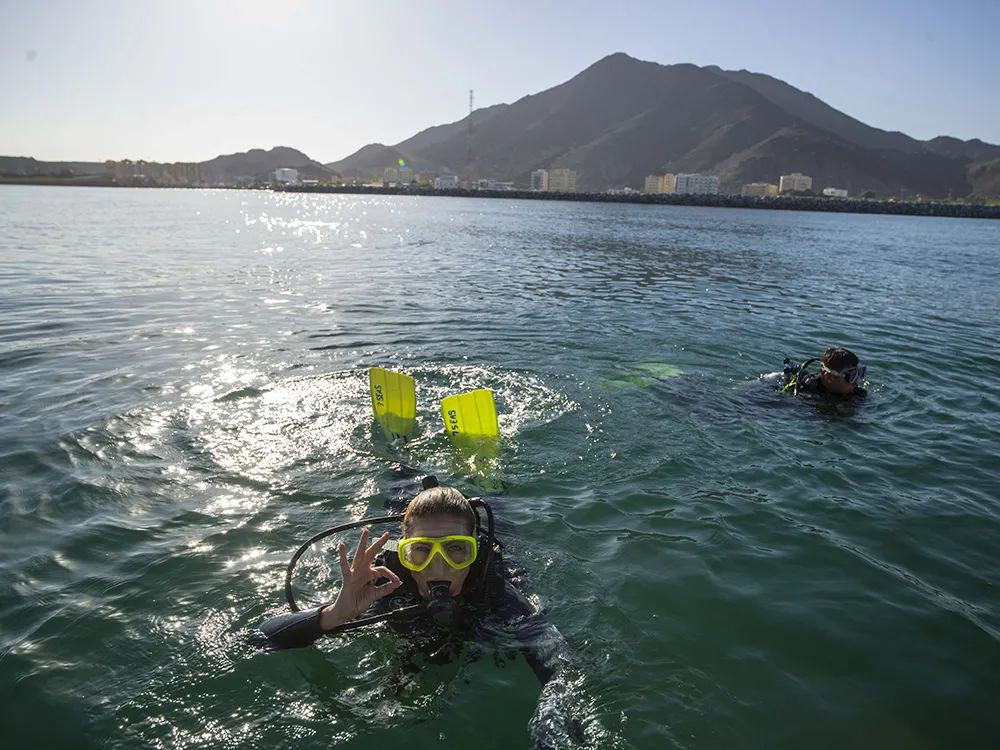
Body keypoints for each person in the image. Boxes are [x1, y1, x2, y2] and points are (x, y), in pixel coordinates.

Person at [257, 476, 571, 690]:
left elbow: (560, 666)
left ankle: (485, 481)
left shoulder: (494, 591)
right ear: (403, 553)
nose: (438, 566)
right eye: (420, 551)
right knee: (401, 483)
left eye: (456, 549)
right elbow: (262, 637)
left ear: (474, 554)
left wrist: (552, 713)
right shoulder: (385, 585)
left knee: (493, 495)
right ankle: (400, 454)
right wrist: (336, 614)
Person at [779, 346, 868, 399]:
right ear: (828, 377)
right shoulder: (806, 392)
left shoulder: (858, 394)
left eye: (859, 372)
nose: (857, 380)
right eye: (852, 376)